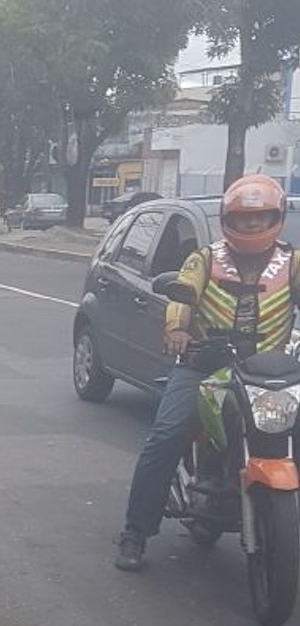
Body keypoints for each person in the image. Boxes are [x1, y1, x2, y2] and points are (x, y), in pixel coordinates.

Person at [114, 174, 300, 571]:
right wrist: (178, 329)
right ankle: (135, 533)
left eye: (259, 218)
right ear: (227, 219)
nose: (251, 226)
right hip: (204, 365)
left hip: (270, 372)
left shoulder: (293, 262)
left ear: (276, 217)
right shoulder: (207, 258)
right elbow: (183, 292)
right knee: (164, 439)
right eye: (243, 218)